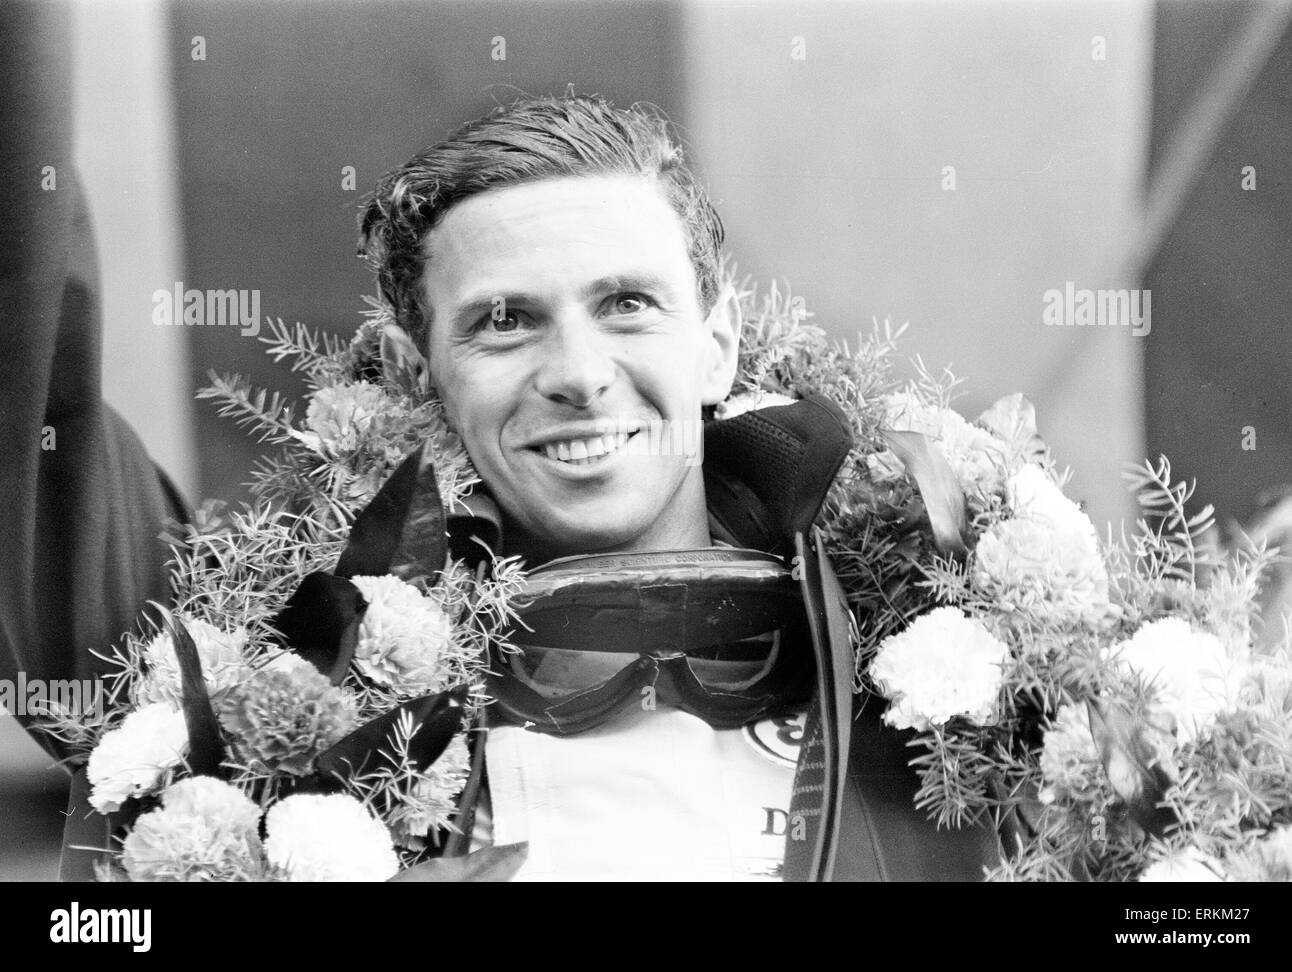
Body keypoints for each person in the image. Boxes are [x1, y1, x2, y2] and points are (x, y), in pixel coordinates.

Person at [1, 6, 998, 880]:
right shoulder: (265, 683)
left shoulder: (969, 679)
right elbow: (27, 359)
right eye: (505, 321)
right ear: (419, 375)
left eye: (627, 303)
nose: (578, 372)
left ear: (718, 345)